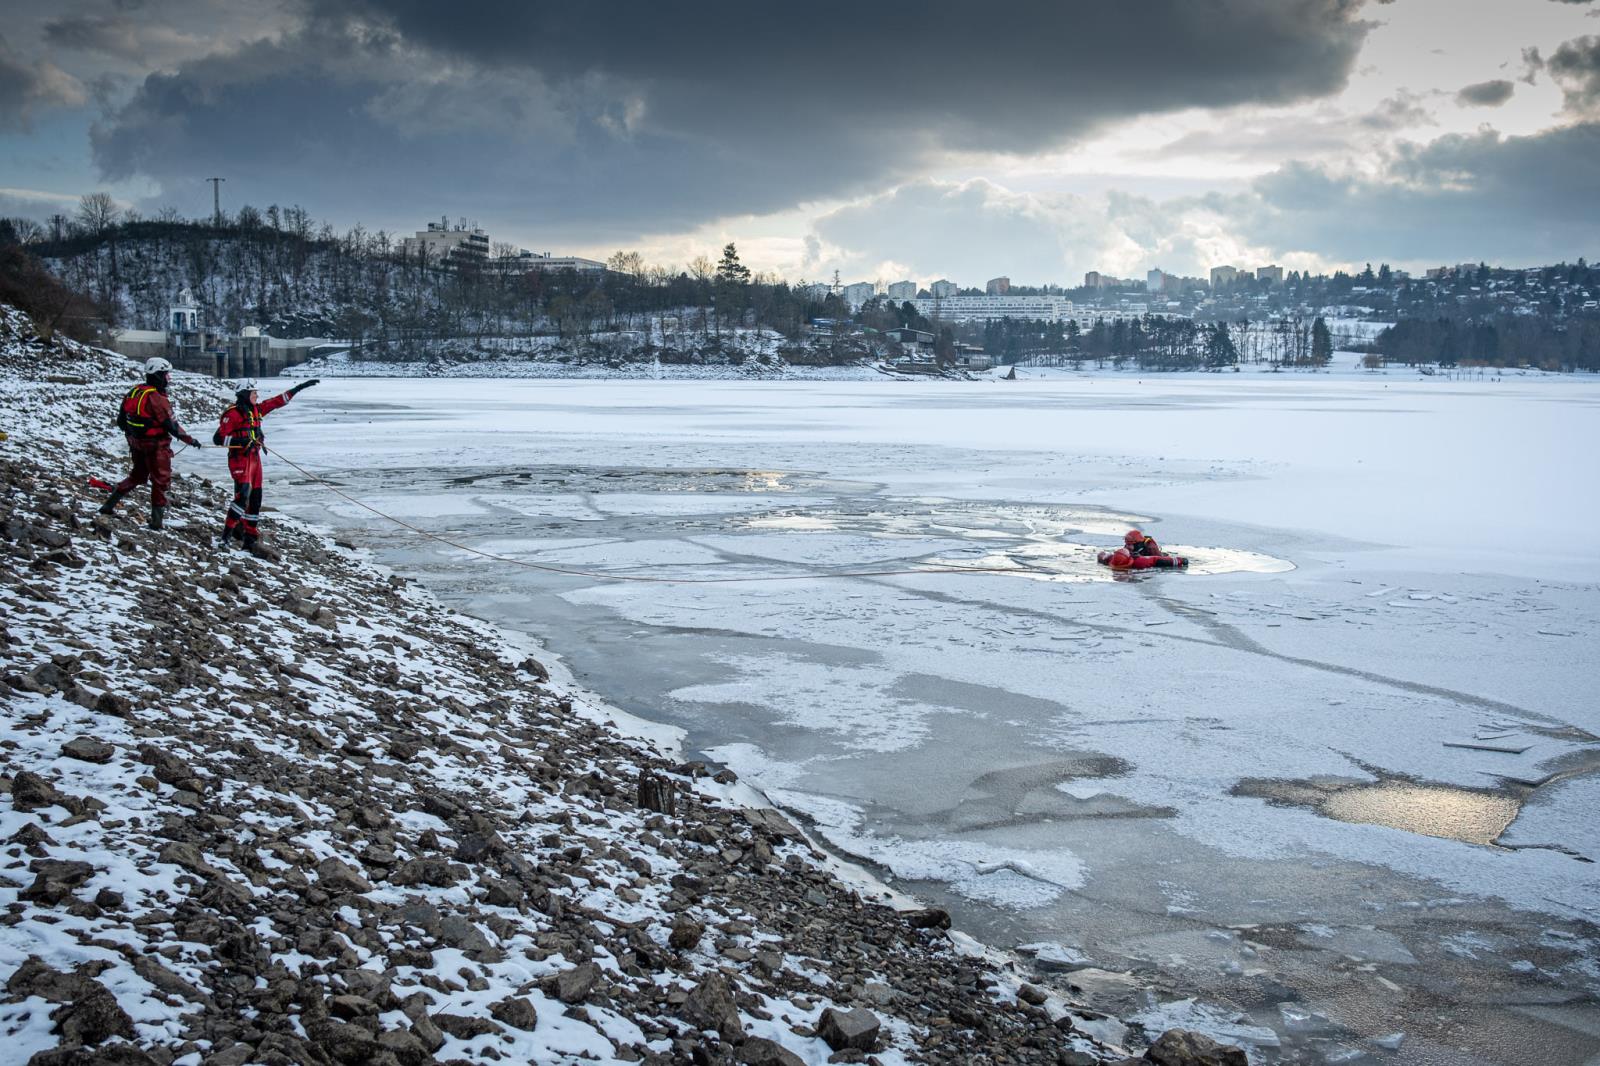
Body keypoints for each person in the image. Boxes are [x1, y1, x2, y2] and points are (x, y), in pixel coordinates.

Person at [214, 378, 318, 550]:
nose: (257, 395)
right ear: (245, 394)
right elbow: (218, 438)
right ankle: (226, 536)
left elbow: (276, 402)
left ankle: (250, 537)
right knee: (242, 496)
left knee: (255, 498)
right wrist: (241, 440)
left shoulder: (256, 410)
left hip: (255, 459)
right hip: (240, 459)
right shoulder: (232, 414)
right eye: (254, 393)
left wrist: (298, 388)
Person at [100, 357, 202, 529]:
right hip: (156, 447)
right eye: (166, 375)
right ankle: (156, 522)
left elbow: (121, 421)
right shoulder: (157, 398)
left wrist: (133, 437)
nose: (168, 379)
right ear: (158, 375)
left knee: (137, 476)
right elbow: (172, 425)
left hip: (137, 444)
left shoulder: (135, 392)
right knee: (160, 481)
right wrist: (190, 440)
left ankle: (108, 505)